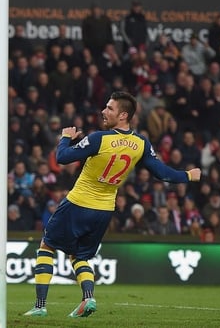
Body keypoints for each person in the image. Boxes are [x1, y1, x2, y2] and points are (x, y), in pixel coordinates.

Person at [23, 91, 201, 318]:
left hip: (77, 203)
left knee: (46, 246)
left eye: (110, 108)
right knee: (79, 257)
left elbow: (62, 157)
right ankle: (88, 298)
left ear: (123, 115)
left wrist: (66, 137)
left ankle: (40, 306)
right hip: (104, 211)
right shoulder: (140, 144)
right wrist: (188, 175)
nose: (103, 111)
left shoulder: (99, 138)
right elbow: (163, 174)